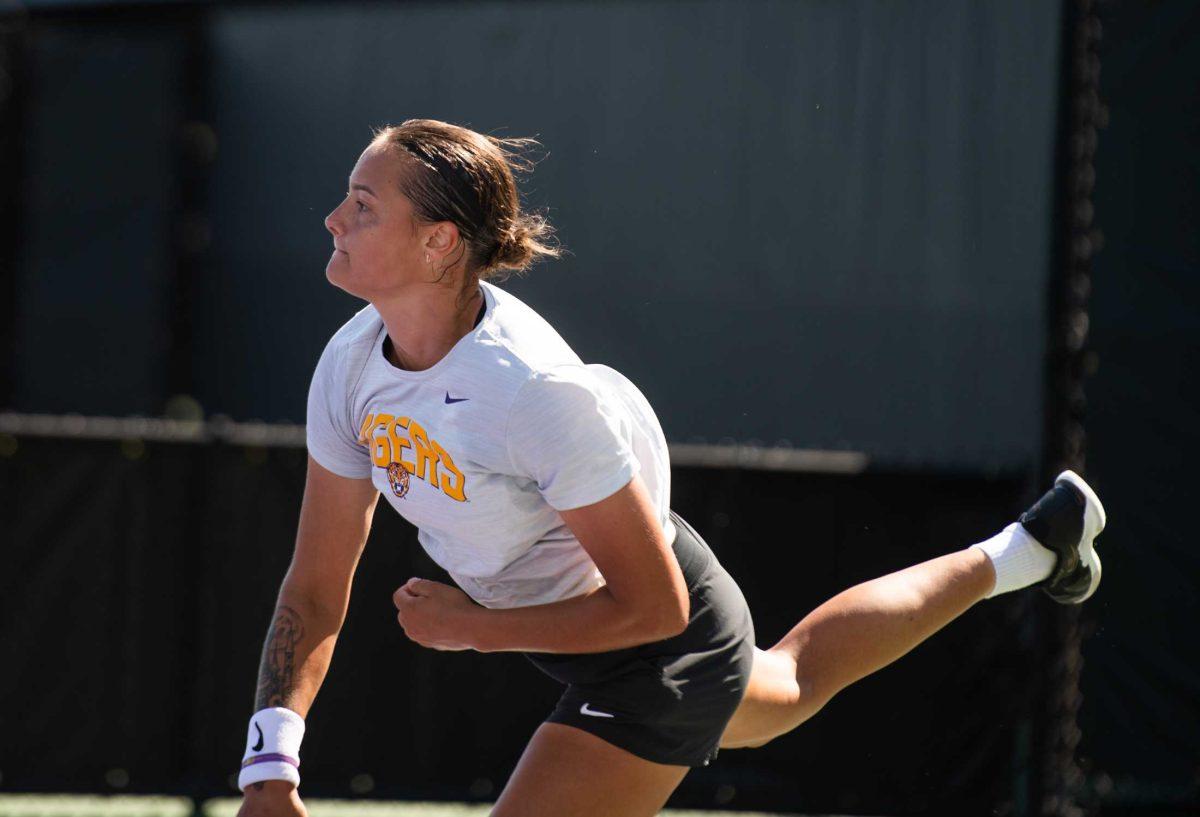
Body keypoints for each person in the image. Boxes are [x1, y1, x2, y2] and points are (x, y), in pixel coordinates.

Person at [234, 119, 1107, 817]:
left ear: (439, 241)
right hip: (599, 625)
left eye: (362, 204)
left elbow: (653, 606)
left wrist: (480, 628)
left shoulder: (533, 391)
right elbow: (315, 585)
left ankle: (1023, 554)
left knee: (785, 682)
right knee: (794, 680)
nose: (333, 219)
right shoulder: (350, 363)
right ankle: (1028, 550)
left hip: (656, 641)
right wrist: (270, 760)